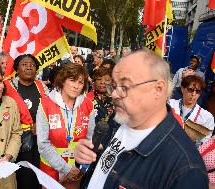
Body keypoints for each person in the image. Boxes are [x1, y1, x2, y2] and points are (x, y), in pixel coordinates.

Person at [74, 50, 208, 189]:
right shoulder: (117, 120)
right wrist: (86, 157)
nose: (114, 94)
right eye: (113, 86)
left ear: (158, 89)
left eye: (124, 86)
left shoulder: (186, 171)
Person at [36, 63, 95, 183]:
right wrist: (66, 168)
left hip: (76, 170)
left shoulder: (88, 105)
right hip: (51, 168)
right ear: (63, 81)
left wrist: (79, 168)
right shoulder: (45, 104)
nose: (76, 86)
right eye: (72, 80)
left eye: (81, 82)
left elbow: (90, 140)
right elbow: (43, 143)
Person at [4, 54, 48, 189]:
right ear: (17, 68)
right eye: (24, 64)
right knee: (22, 177)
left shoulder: (42, 86)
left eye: (32, 65)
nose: (29, 67)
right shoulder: (7, 87)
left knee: (37, 175)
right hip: (17, 141)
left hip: (39, 141)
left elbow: (50, 110)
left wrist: (42, 126)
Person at [169, 75, 214, 144]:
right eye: (190, 90)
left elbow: (204, 144)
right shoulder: (169, 104)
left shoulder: (207, 117)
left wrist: (194, 140)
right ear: (182, 89)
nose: (194, 94)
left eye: (198, 91)